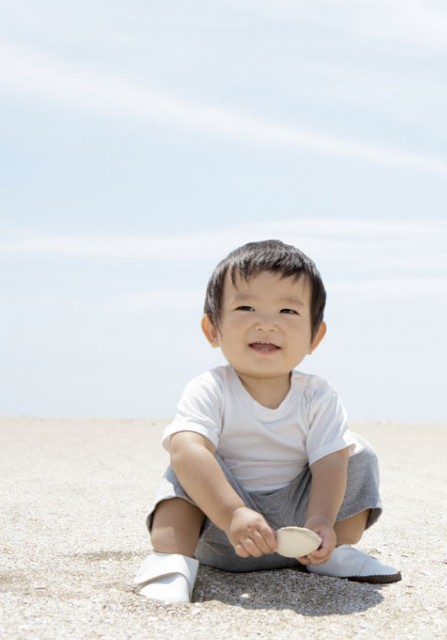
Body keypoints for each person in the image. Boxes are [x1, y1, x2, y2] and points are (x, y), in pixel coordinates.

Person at [134, 240, 401, 603]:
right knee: (187, 460)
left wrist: (322, 519)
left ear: (315, 335)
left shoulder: (318, 395)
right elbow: (185, 450)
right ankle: (171, 561)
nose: (266, 323)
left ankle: (332, 554)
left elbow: (328, 464)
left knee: (356, 452)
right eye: (246, 307)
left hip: (300, 533)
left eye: (288, 311)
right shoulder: (211, 388)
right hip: (221, 527)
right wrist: (233, 514)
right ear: (213, 329)